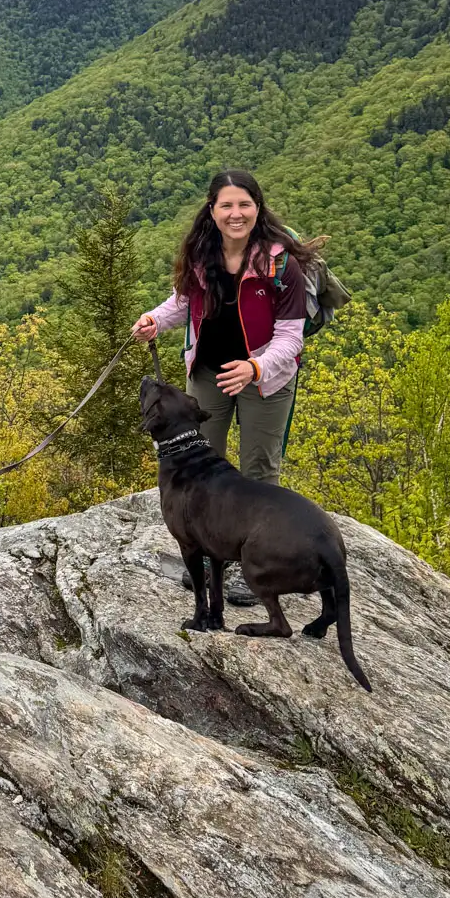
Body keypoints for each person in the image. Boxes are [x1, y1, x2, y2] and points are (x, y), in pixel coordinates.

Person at [132, 169, 315, 602]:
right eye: (226, 205)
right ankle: (207, 552)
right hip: (209, 372)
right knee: (199, 466)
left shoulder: (281, 261)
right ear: (211, 210)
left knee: (257, 470)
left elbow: (291, 336)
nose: (236, 214)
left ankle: (253, 560)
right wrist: (156, 320)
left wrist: (254, 368)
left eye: (244, 204)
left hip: (266, 379)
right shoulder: (202, 253)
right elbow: (183, 304)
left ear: (258, 207)